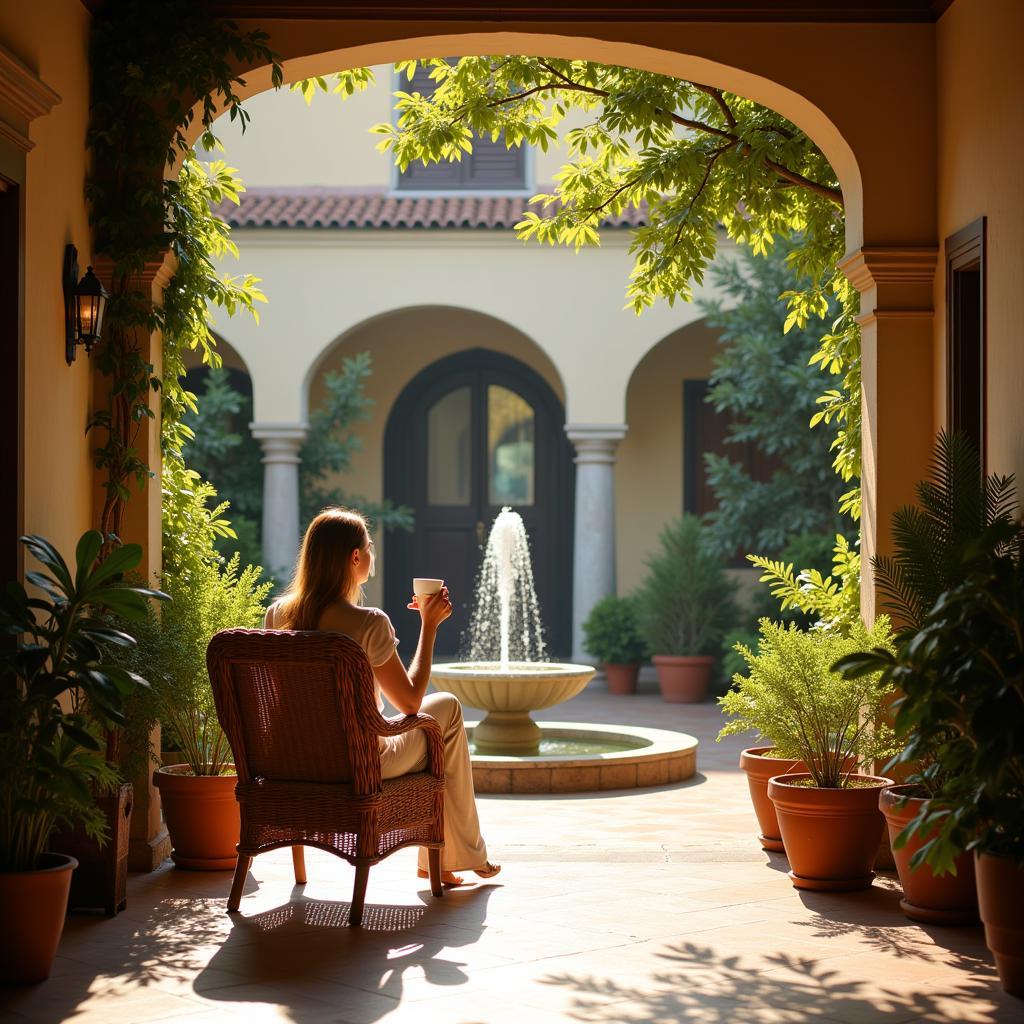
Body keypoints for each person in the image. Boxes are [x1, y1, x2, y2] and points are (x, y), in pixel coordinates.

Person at [265, 506, 500, 888]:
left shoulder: (277, 615)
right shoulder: (368, 622)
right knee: (448, 711)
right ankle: (450, 858)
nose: (372, 555)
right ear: (355, 557)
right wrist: (429, 625)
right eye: (369, 547)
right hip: (361, 762)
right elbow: (408, 703)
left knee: (435, 714)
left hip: (296, 761)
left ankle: (452, 858)